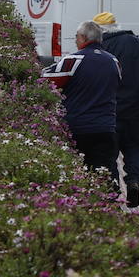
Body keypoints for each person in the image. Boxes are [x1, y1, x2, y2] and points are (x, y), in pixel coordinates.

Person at [95, 11, 139, 209]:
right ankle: (134, 180)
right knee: (134, 146)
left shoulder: (101, 48)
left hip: (110, 110)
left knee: (109, 152)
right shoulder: (137, 43)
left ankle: (114, 188)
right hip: (135, 109)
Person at [42, 20, 121, 185]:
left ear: (84, 38)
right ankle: (110, 205)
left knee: (78, 176)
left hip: (78, 127)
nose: (75, 40)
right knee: (106, 173)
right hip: (106, 127)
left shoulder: (72, 60)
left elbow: (45, 80)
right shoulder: (114, 62)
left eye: (76, 37)